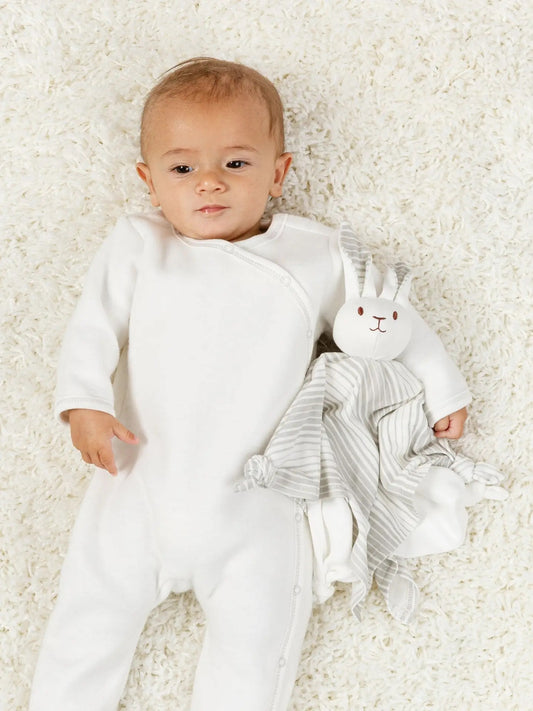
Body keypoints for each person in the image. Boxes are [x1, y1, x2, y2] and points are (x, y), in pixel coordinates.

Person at [29, 57, 470, 711]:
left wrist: (442, 384)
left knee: (253, 650)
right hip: (136, 484)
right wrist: (84, 403)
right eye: (182, 168)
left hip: (255, 503)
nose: (208, 182)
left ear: (278, 172)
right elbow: (92, 328)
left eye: (235, 163)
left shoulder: (315, 256)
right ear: (150, 182)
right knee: (85, 625)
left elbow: (387, 316)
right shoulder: (138, 246)